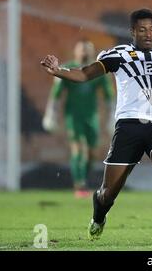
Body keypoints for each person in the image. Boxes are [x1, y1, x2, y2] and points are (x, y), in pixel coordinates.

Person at [40, 8, 152, 241]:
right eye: (142, 30)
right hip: (129, 128)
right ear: (132, 31)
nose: (148, 34)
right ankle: (98, 216)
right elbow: (84, 74)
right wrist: (58, 71)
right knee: (108, 193)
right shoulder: (118, 54)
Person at [42, 40, 115, 198]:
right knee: (78, 148)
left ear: (92, 52)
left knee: (92, 153)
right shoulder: (67, 69)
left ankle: (83, 180)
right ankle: (79, 185)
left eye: (87, 50)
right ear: (76, 52)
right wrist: (51, 115)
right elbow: (56, 94)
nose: (84, 53)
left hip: (92, 117)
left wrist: (112, 118)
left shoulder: (97, 71)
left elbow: (109, 97)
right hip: (74, 116)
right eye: (82, 50)